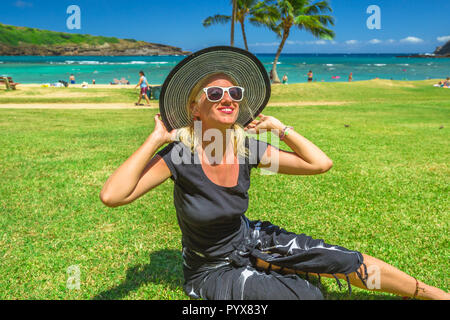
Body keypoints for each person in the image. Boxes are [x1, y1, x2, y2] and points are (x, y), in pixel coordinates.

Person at [100, 46, 449, 300]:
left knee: (340, 260)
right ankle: (279, 269)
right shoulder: (179, 155)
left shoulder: (247, 148)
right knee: (307, 297)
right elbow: (113, 196)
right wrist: (156, 138)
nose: (228, 98)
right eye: (215, 92)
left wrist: (281, 128)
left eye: (234, 93)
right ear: (195, 106)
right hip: (210, 269)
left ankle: (425, 293)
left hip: (251, 238)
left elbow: (319, 164)